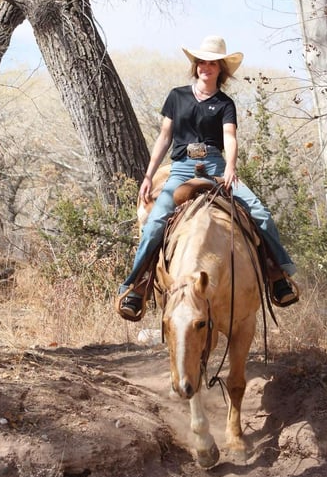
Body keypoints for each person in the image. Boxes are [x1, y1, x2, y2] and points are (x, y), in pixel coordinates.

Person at [117, 35, 298, 321]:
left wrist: (231, 166)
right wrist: (149, 175)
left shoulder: (225, 103)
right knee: (154, 223)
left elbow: (230, 137)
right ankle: (136, 288)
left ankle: (278, 276)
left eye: (212, 63)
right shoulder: (177, 96)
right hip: (180, 168)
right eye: (201, 61)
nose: (205, 67)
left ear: (220, 69)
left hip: (215, 165)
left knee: (260, 214)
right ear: (196, 65)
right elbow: (164, 137)